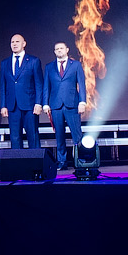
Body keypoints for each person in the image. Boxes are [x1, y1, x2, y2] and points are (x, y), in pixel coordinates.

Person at [43, 40, 88, 171]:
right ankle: (62, 161)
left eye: (61, 48)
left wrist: (82, 102)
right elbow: (46, 87)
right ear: (54, 51)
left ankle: (81, 159)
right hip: (56, 105)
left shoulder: (76, 65)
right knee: (59, 136)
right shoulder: (49, 67)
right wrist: (45, 104)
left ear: (67, 50)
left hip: (72, 104)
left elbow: (82, 84)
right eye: (57, 49)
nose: (59, 50)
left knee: (77, 134)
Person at [1, 33, 46, 152]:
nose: (14, 44)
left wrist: (38, 103)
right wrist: (3, 105)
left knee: (33, 136)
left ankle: (35, 162)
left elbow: (39, 84)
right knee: (15, 137)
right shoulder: (5, 63)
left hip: (30, 106)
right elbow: (3, 85)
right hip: (12, 106)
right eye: (12, 42)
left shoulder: (33, 61)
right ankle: (18, 162)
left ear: (24, 44)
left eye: (17, 42)